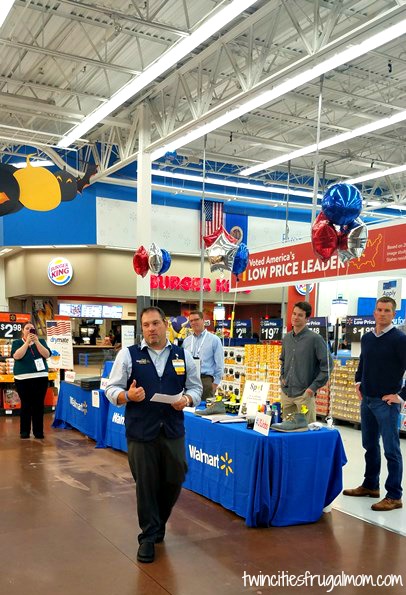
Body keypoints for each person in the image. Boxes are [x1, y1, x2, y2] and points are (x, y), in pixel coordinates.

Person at [105, 306, 202, 563]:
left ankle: (158, 521)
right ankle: (148, 536)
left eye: (156, 323)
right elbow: (111, 389)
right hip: (140, 429)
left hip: (172, 428)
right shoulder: (128, 355)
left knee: (176, 475)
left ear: (165, 324)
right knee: (146, 483)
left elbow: (195, 388)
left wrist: (187, 399)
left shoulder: (183, 355)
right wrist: (127, 395)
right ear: (142, 328)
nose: (151, 329)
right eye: (146, 325)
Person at [343, 296, 406, 511]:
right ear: (374, 312)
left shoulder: (400, 339)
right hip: (367, 401)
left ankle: (394, 495)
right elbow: (363, 362)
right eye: (379, 309)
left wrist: (401, 396)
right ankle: (370, 485)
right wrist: (358, 382)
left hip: (386, 404)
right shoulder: (368, 338)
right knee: (369, 445)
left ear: (394, 314)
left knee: (391, 449)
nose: (382, 314)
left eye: (387, 310)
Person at [280, 301, 332, 423]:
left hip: (304, 395)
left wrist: (312, 388)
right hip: (287, 393)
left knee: (306, 429)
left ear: (307, 319)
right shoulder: (287, 338)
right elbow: (283, 360)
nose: (295, 317)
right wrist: (282, 377)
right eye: (294, 314)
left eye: (300, 315)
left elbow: (328, 366)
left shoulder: (315, 339)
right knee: (286, 429)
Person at [11, 322, 52, 439]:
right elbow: (17, 356)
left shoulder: (41, 341)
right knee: (26, 404)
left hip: (40, 377)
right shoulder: (17, 343)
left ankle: (38, 432)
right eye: (27, 328)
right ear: (23, 331)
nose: (29, 330)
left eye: (32, 328)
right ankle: (24, 431)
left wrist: (37, 342)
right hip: (22, 379)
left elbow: (47, 354)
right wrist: (27, 343)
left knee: (38, 404)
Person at [182, 311, 224, 401]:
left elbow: (220, 364)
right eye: (191, 321)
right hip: (189, 380)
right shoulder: (186, 341)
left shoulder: (214, 340)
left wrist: (215, 384)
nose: (194, 322)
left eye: (196, 319)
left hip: (205, 380)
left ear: (203, 320)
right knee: (189, 407)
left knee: (206, 407)